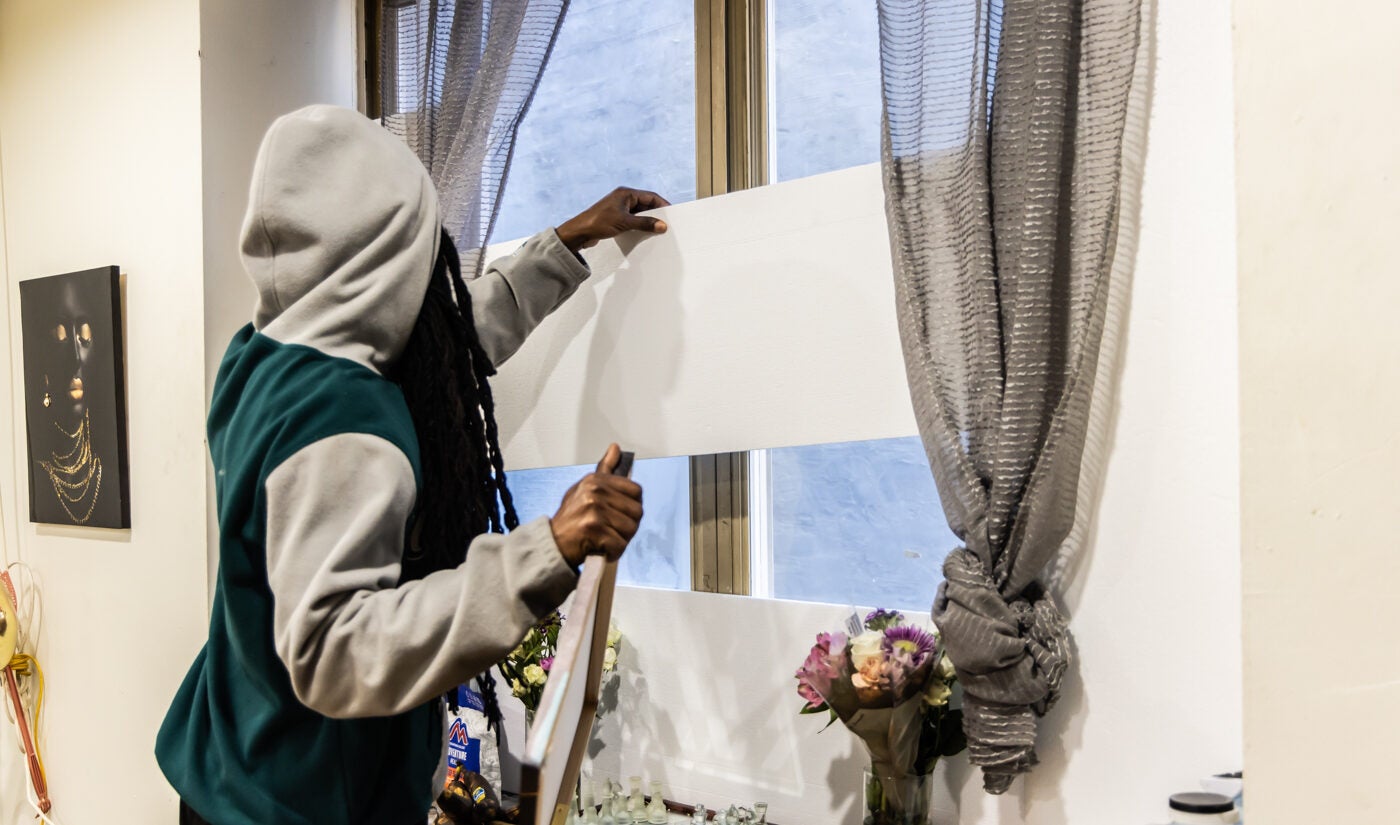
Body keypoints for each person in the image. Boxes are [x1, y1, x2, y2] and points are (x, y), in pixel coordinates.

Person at [156, 105, 666, 825]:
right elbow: (336, 649)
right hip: (296, 804)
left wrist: (567, 241)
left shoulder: (262, 354)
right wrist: (542, 550)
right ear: (381, 258)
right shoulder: (343, 423)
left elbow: (444, 340)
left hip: (227, 764)